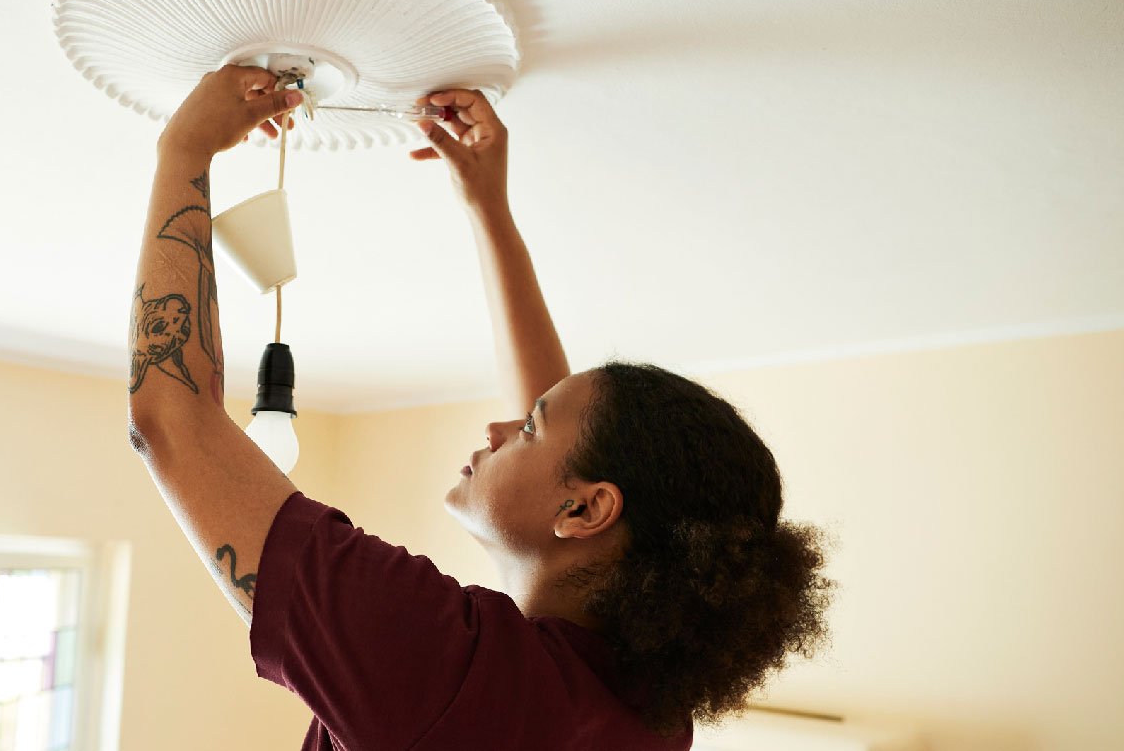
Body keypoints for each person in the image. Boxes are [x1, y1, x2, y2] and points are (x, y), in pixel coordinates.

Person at [127, 65, 832, 750]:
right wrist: (487, 210)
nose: (500, 427)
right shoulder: (640, 706)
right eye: (526, 420)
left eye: (526, 429)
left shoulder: (439, 668)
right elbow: (570, 453)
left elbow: (172, 420)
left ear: (587, 513)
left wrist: (183, 150)